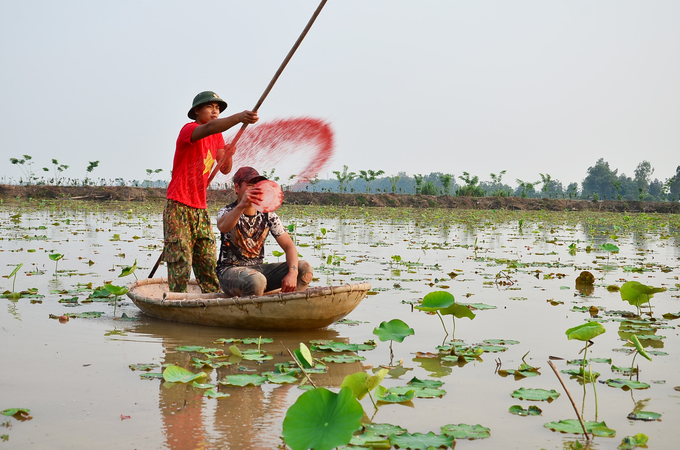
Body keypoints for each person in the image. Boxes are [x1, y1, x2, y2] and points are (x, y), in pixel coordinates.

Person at [164, 91, 259, 293]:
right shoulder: (190, 130)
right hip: (178, 204)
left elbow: (224, 168)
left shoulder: (217, 136)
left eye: (218, 108)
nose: (215, 110)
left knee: (207, 257)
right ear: (197, 111)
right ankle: (176, 299)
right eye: (210, 106)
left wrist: (229, 153)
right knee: (181, 258)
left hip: (200, 207)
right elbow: (210, 127)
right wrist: (238, 118)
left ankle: (211, 298)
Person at [216, 167, 313, 297]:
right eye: (250, 186)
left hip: (258, 270)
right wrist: (241, 205)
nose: (255, 190)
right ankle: (250, 312)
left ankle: (288, 306)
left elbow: (289, 246)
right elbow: (223, 227)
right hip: (229, 272)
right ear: (237, 188)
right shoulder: (227, 211)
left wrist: (292, 273)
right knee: (256, 280)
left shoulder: (268, 216)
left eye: (258, 186)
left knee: (304, 269)